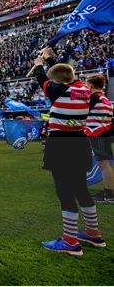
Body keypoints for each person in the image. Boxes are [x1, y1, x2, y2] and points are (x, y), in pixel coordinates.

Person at [33, 47, 105, 256]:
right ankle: (93, 233)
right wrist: (49, 58)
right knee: (81, 190)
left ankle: (70, 241)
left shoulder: (55, 91)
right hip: (80, 143)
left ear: (55, 81)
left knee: (65, 193)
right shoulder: (83, 89)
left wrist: (39, 63)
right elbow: (66, 74)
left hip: (61, 145)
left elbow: (44, 78)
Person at [84, 74, 113, 203]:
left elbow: (81, 111)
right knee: (103, 163)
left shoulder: (94, 97)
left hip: (98, 134)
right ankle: (108, 193)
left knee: (103, 163)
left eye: (86, 84)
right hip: (103, 133)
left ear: (90, 85)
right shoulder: (104, 98)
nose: (85, 86)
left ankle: (109, 195)